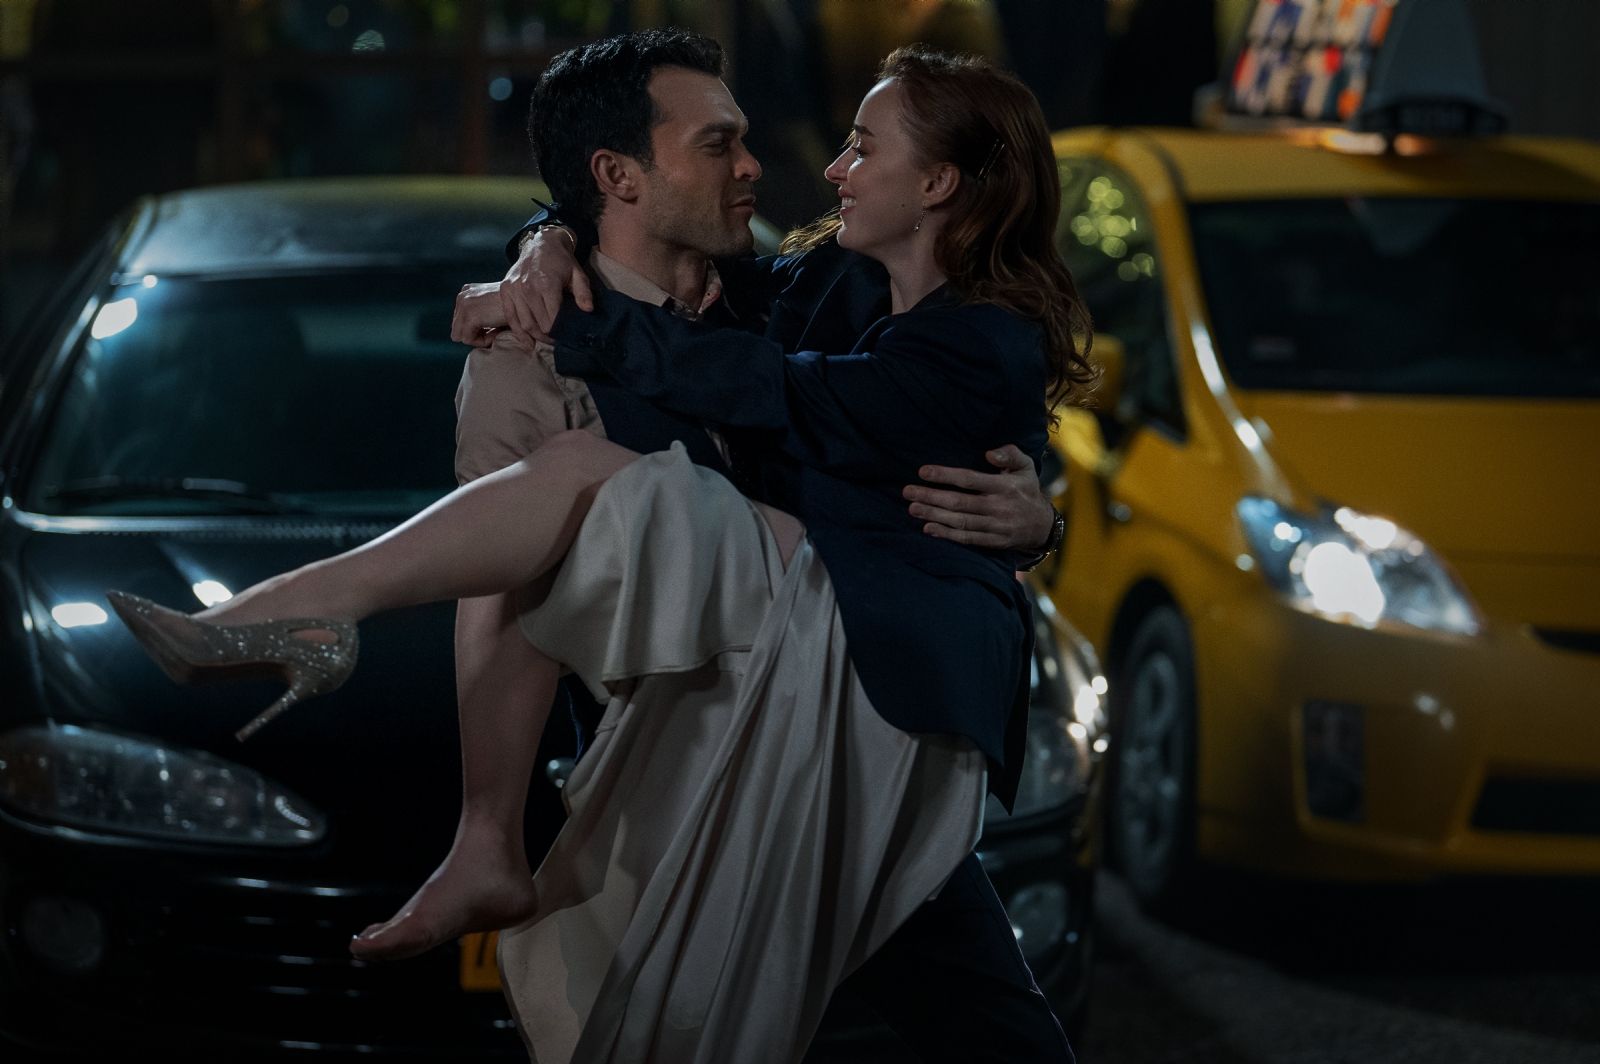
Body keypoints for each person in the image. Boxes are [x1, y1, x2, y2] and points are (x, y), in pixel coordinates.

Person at [110, 33, 1090, 1062]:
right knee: (693, 1027)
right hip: (683, 736)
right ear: (618, 175)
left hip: (858, 690)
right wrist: (547, 243)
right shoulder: (793, 293)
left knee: (959, 1009)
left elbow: (811, 400)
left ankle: (308, 607)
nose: (784, 167)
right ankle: (330, 638)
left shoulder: (880, 318)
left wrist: (1039, 521)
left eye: (859, 147)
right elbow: (504, 579)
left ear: (937, 184)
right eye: (719, 144)